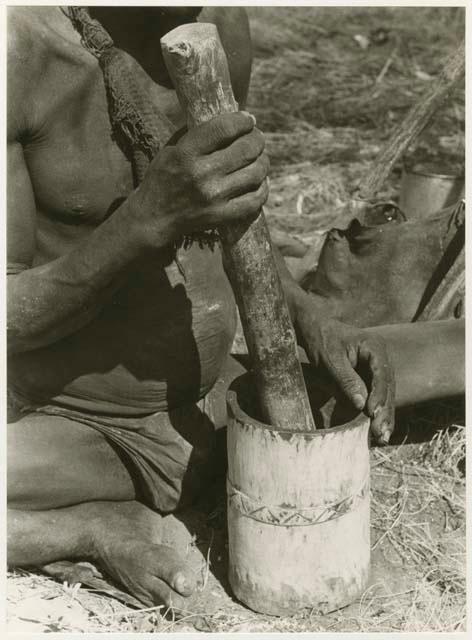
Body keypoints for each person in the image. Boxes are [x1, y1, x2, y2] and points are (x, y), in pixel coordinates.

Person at [7, 6, 395, 609]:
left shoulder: (218, 29)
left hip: (214, 407)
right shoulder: (20, 51)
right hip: (78, 428)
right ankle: (87, 525)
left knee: (399, 366)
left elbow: (226, 222)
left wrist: (309, 317)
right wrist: (147, 219)